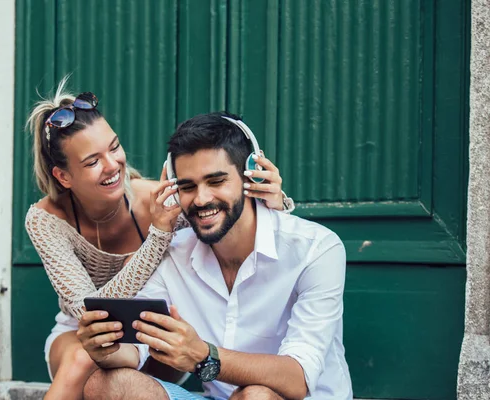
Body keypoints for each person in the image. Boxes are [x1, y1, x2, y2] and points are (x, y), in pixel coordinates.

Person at [24, 79, 294, 400]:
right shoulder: (45, 218)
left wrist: (275, 204)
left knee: (117, 378)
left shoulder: (160, 200)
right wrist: (157, 236)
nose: (113, 166)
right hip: (82, 333)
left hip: (149, 333)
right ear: (63, 176)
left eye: (114, 147)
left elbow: (232, 224)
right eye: (93, 161)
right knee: (82, 359)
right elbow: (87, 312)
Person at [77, 112, 352, 400]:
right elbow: (137, 349)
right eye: (187, 186)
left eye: (216, 181)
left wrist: (205, 356)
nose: (201, 199)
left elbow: (298, 379)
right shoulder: (174, 253)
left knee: (256, 396)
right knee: (107, 384)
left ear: (251, 175)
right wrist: (106, 350)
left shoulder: (316, 249)